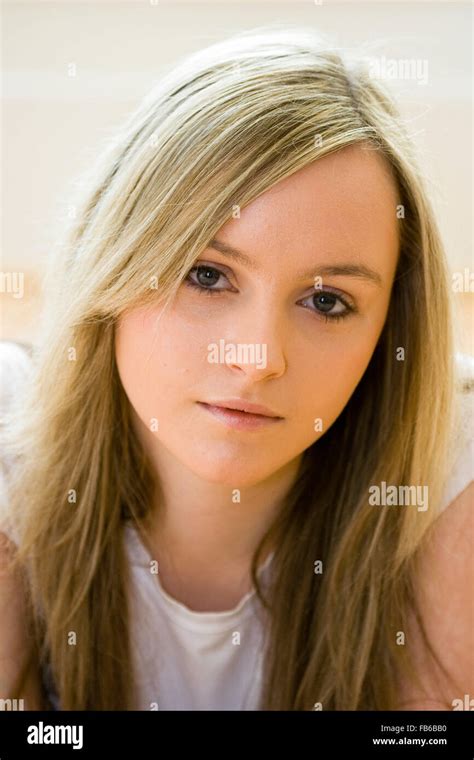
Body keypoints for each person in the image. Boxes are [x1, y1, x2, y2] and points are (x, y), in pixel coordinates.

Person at [0, 26, 472, 711]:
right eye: (207, 275)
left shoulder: (452, 470)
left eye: (327, 300)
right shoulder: (10, 448)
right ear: (116, 260)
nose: (258, 359)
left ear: (390, 328)